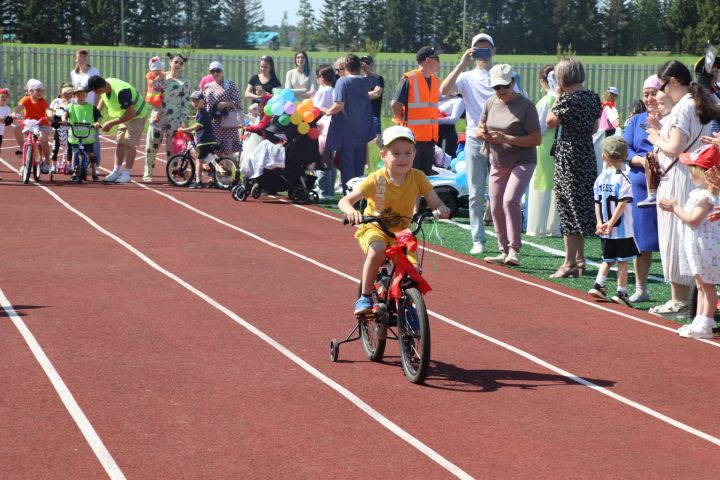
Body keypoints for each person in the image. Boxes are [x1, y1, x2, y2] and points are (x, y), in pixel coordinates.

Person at [338, 126, 451, 315]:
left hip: (402, 234)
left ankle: (408, 307)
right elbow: (345, 201)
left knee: (414, 270)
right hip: (375, 228)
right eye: (396, 153)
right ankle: (365, 296)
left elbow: (435, 202)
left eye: (408, 153)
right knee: (378, 250)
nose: (403, 158)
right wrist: (351, 212)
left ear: (414, 154)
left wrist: (441, 208)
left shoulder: (418, 177)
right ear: (383, 155)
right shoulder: (376, 179)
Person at [645, 60, 717, 315]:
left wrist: (655, 137)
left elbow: (675, 146)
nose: (661, 91)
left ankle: (679, 299)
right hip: (694, 175)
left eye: (662, 85)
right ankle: (690, 299)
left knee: (674, 236)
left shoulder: (682, 108)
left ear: (673, 82)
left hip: (678, 176)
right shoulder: (697, 104)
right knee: (689, 235)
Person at [478, 64, 541, 267]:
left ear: (513, 82)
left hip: (522, 160)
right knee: (495, 205)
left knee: (510, 200)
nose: (501, 91)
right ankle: (503, 249)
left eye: (505, 86)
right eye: (497, 87)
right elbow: (480, 126)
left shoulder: (526, 106)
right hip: (497, 160)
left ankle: (514, 250)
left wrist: (507, 138)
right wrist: (483, 134)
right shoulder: (490, 103)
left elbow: (536, 139)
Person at [440, 33, 496, 255]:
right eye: (478, 49)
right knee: (475, 192)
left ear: (494, 50)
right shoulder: (466, 77)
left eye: (486, 48)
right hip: (474, 138)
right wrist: (462, 63)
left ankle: (505, 240)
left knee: (500, 194)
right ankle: (478, 239)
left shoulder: (504, 74)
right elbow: (444, 90)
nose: (482, 52)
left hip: (500, 140)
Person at [546, 58, 602, 278]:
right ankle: (579, 261)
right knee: (579, 207)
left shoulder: (567, 99)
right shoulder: (591, 97)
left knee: (568, 209)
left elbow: (550, 122)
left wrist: (557, 96)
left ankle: (570, 262)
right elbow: (595, 127)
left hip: (568, 155)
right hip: (586, 153)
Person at [659, 144, 720, 338]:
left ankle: (706, 323)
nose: (690, 173)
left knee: (707, 284)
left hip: (705, 246)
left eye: (693, 169)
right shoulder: (700, 193)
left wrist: (675, 207)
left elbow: (693, 220)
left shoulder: (706, 196)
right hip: (697, 244)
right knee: (701, 283)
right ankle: (699, 320)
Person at [622, 75, 662, 302]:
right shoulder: (636, 120)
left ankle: (680, 293)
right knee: (641, 241)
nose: (648, 98)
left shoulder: (671, 118)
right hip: (639, 190)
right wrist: (640, 161)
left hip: (666, 188)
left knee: (670, 242)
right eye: (645, 93)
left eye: (653, 93)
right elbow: (624, 148)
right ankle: (641, 288)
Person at [588, 136, 638, 307]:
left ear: (604, 157)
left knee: (607, 260)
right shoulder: (623, 178)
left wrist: (600, 222)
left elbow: (597, 202)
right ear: (624, 157)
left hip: (605, 228)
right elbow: (622, 204)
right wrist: (611, 223)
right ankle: (621, 292)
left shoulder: (600, 179)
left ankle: (598, 284)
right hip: (621, 228)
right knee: (623, 261)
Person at [325, 54, 374, 194]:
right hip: (363, 129)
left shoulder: (343, 82)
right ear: (360, 66)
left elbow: (339, 105)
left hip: (347, 130)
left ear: (346, 67)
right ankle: (359, 195)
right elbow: (375, 79)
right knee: (359, 166)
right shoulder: (365, 81)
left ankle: (349, 195)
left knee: (347, 166)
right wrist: (367, 70)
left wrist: (327, 112)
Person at [86, 75, 150, 183]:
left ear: (100, 89)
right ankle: (116, 171)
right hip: (124, 113)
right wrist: (97, 115)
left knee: (130, 143)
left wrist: (112, 122)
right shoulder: (106, 85)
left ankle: (127, 173)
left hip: (137, 114)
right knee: (120, 142)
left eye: (94, 91)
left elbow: (131, 113)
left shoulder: (121, 92)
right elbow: (103, 98)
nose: (94, 93)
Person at [391, 46, 441, 176]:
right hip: (413, 139)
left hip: (429, 139)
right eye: (436, 59)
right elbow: (395, 104)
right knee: (411, 178)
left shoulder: (435, 80)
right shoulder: (410, 78)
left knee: (426, 179)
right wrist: (402, 122)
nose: (438, 62)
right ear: (427, 60)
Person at [526, 65, 561, 238]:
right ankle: (553, 226)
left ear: (542, 81)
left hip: (545, 146)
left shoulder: (547, 101)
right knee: (556, 186)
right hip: (559, 145)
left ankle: (537, 225)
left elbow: (539, 128)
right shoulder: (562, 99)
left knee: (541, 184)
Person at [143, 53, 190, 182]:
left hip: (174, 119)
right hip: (158, 117)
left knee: (173, 149)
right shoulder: (161, 76)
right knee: (151, 145)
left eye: (181, 63)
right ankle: (148, 174)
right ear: (170, 63)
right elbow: (151, 90)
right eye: (176, 62)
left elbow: (185, 102)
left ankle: (171, 175)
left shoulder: (185, 82)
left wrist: (184, 121)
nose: (178, 65)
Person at [202, 61, 242, 156]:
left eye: (218, 70)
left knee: (228, 153)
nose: (215, 73)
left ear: (222, 71)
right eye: (212, 71)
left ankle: (228, 170)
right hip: (213, 123)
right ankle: (218, 171)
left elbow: (238, 103)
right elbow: (204, 104)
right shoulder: (207, 86)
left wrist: (225, 104)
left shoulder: (230, 84)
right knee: (214, 153)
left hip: (227, 123)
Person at [179, 91, 217, 189]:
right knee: (208, 160)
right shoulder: (202, 111)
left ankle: (199, 181)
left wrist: (185, 130)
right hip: (210, 139)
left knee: (199, 161)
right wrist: (190, 117)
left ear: (203, 101)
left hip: (204, 141)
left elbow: (197, 126)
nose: (194, 102)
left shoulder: (201, 112)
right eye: (193, 101)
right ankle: (215, 179)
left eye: (197, 100)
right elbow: (200, 121)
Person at [63, 86, 102, 182]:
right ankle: (74, 172)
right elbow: (65, 113)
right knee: (75, 153)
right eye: (78, 95)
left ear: (86, 96)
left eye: (83, 95)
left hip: (88, 135)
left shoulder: (91, 107)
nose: (81, 97)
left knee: (91, 154)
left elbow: (99, 117)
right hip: (75, 135)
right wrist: (64, 120)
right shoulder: (70, 106)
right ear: (74, 96)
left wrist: (97, 123)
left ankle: (94, 172)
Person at [70, 49, 101, 165]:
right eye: (80, 56)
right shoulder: (73, 73)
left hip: (90, 107)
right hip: (78, 108)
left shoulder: (94, 71)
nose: (82, 59)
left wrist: (96, 107)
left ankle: (95, 164)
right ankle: (79, 164)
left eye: (84, 56)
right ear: (76, 58)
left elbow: (98, 90)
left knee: (94, 137)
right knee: (78, 135)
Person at [13, 79, 52, 171]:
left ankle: (46, 162)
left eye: (41, 90)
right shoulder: (26, 99)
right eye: (37, 90)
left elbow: (48, 110)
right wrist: (14, 113)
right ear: (30, 91)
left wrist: (50, 116)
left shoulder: (42, 101)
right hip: (29, 124)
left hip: (42, 124)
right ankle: (23, 151)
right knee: (17, 127)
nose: (40, 92)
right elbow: (18, 107)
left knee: (43, 139)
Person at [313, 65, 336, 199]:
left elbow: (315, 109)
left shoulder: (323, 91)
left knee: (322, 158)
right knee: (330, 159)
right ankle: (330, 190)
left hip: (322, 127)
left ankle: (323, 190)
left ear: (322, 77)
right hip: (333, 127)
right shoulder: (334, 90)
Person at [361, 55, 385, 150]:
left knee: (377, 140)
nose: (365, 65)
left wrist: (359, 95)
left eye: (367, 63)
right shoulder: (359, 79)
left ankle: (385, 158)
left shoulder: (378, 78)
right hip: (361, 114)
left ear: (372, 65)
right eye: (363, 63)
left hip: (374, 113)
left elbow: (376, 94)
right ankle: (365, 163)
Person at [49, 82, 74, 172]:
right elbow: (51, 112)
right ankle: (53, 165)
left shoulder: (73, 102)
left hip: (69, 128)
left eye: (71, 92)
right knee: (55, 146)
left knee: (69, 147)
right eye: (67, 92)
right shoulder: (56, 101)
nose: (69, 94)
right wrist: (52, 117)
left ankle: (69, 164)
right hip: (58, 127)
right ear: (62, 92)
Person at [437, 93, 465, 158]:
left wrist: (432, 120)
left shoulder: (458, 100)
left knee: (444, 160)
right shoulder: (439, 96)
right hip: (432, 132)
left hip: (446, 135)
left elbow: (453, 120)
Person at [145, 56, 166, 130]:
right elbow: (151, 83)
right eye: (158, 70)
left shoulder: (159, 73)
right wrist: (158, 78)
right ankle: (154, 121)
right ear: (153, 69)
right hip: (152, 96)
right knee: (160, 108)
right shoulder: (150, 75)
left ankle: (155, 119)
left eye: (160, 70)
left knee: (159, 109)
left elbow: (165, 74)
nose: (159, 71)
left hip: (157, 96)